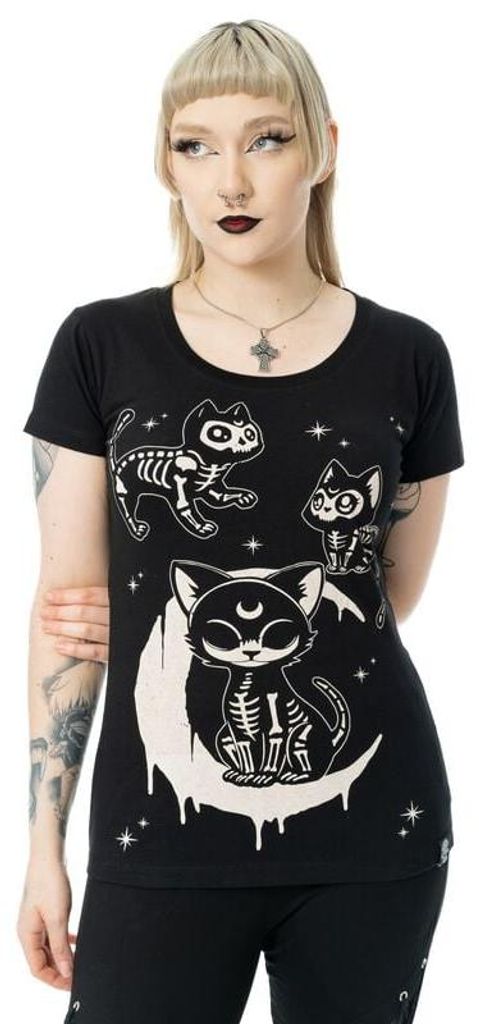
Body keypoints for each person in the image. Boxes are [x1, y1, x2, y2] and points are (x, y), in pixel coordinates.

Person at [17, 18, 465, 1024]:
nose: (230, 181)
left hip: (373, 836)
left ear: (322, 149)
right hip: (151, 836)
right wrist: (43, 848)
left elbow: (382, 598)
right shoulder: (99, 345)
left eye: (266, 139)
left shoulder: (409, 356)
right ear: (165, 165)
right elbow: (69, 613)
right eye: (195, 145)